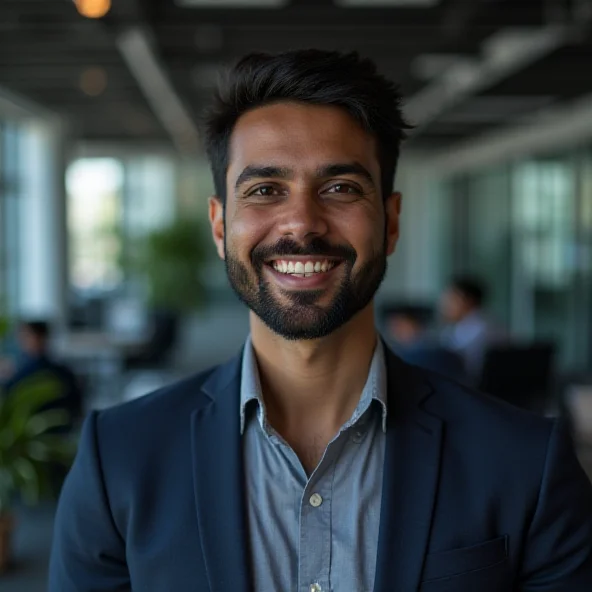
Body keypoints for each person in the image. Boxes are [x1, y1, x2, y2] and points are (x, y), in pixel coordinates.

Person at [49, 50, 592, 592]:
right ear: (220, 227)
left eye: (341, 188)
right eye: (265, 190)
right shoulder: (117, 460)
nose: (302, 224)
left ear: (392, 220)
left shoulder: (526, 463)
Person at [2, 320, 82, 432]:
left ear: (37, 337)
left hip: (36, 433)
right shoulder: (63, 370)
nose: (20, 341)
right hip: (62, 431)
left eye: (25, 336)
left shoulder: (29, 371)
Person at [440, 276, 506, 382]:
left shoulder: (481, 327)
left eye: (451, 299)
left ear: (468, 300)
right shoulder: (465, 325)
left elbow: (456, 362)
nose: (445, 306)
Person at [384, 303, 467, 382]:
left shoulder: (419, 354)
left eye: (398, 324)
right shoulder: (444, 346)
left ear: (411, 323)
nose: (394, 330)